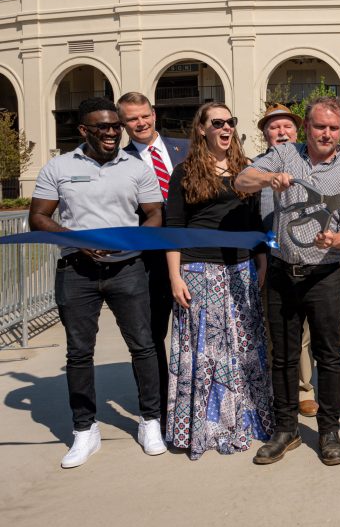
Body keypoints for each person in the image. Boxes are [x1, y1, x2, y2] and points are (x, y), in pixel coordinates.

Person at [29, 96, 166, 468]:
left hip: (128, 270)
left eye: (115, 126)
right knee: (79, 353)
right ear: (83, 130)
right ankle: (84, 430)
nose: (111, 133)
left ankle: (150, 422)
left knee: (143, 346)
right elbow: (38, 217)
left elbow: (155, 214)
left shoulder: (136, 167)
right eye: (102, 127)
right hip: (77, 271)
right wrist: (77, 239)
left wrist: (133, 239)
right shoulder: (58, 166)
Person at [235, 95, 340, 466]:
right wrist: (268, 177)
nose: (326, 133)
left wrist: (334, 239)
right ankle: (286, 429)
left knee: (328, 356)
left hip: (323, 274)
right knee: (284, 357)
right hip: (281, 273)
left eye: (333, 127)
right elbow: (242, 181)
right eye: (320, 126)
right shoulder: (284, 154)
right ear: (306, 127)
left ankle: (328, 431)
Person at [164, 103, 272, 459]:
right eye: (218, 123)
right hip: (199, 272)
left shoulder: (248, 171)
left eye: (231, 122)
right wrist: (174, 275)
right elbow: (174, 228)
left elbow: (256, 224)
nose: (226, 128)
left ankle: (244, 420)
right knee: (206, 353)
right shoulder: (184, 172)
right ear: (202, 129)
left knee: (243, 349)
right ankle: (206, 427)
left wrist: (261, 264)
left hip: (240, 270)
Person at [118, 91, 189, 430]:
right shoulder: (120, 162)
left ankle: (196, 402)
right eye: (132, 119)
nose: (140, 123)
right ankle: (158, 410)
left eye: (144, 115)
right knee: (151, 335)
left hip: (193, 256)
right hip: (149, 263)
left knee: (199, 333)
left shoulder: (187, 148)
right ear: (123, 124)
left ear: (154, 113)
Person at [256, 104, 318, 418]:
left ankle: (304, 389)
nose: (282, 132)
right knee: (273, 330)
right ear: (265, 134)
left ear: (297, 131)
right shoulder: (256, 170)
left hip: (306, 259)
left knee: (303, 329)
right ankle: (275, 390)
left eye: (287, 127)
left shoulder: (311, 165)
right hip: (269, 261)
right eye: (274, 128)